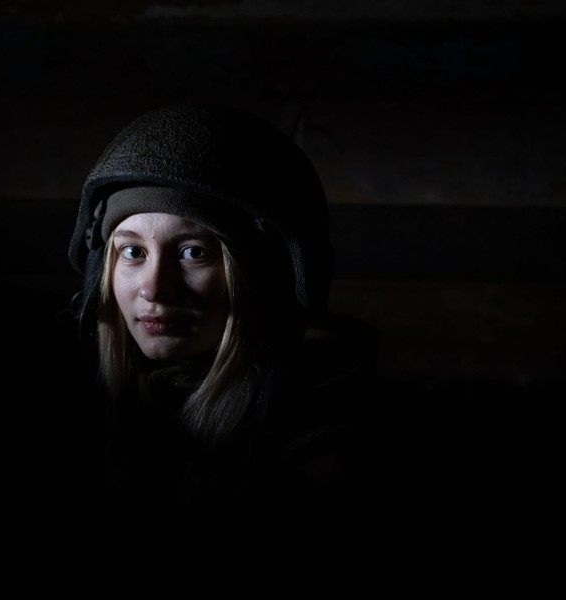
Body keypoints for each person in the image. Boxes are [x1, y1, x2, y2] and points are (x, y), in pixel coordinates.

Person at [65, 103, 378, 529]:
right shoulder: (69, 410)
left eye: (194, 253)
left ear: (265, 277)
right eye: (133, 252)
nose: (155, 289)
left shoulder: (316, 450)